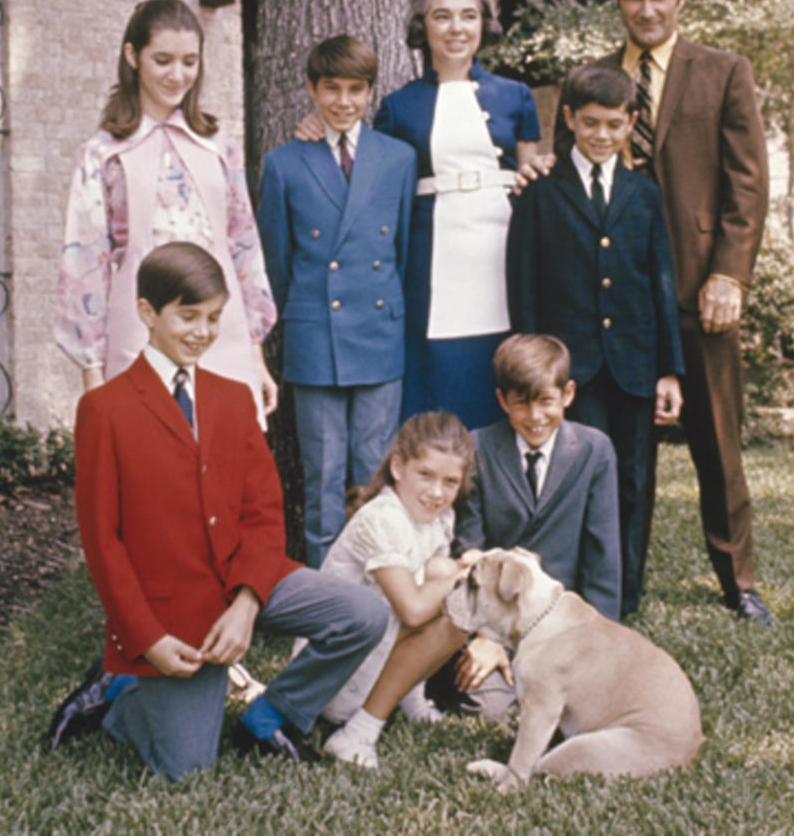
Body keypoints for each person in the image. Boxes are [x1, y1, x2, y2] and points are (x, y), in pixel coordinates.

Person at [47, 242, 388, 780]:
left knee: (363, 614)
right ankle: (118, 694)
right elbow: (103, 543)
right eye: (188, 316)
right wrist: (148, 641)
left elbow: (263, 511)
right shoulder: (104, 411)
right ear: (146, 313)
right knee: (186, 768)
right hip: (172, 612)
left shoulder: (232, 397)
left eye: (213, 318)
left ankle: (272, 717)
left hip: (248, 580)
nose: (203, 332)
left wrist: (249, 601)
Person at [554, 0, 771, 624]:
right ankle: (617, 585)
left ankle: (737, 579)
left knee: (716, 441)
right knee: (618, 452)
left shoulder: (722, 71)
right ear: (616, 0)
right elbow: (567, 168)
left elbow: (746, 180)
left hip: (693, 289)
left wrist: (729, 274)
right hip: (612, 300)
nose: (644, 9)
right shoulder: (590, 81)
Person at [297, 0, 547, 429]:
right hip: (432, 260)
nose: (457, 28)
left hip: (502, 255)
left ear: (484, 23)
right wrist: (321, 128)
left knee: (502, 365)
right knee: (436, 379)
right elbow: (369, 178)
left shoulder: (516, 96)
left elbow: (529, 178)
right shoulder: (399, 105)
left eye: (469, 15)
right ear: (422, 26)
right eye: (442, 16)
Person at [508, 64, 684, 614]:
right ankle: (570, 593)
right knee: (572, 480)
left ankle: (623, 595)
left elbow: (661, 283)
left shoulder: (644, 194)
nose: (602, 136)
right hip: (569, 370)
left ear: (631, 122)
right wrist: (537, 371)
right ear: (568, 120)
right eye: (590, 124)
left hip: (632, 363)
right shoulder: (540, 193)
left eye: (614, 124)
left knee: (633, 479)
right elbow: (525, 286)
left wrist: (669, 370)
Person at [54, 0, 276, 426]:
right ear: (132, 56)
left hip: (221, 335)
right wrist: (93, 379)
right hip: (138, 337)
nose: (178, 75)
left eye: (189, 62)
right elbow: (83, 269)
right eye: (163, 60)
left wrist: (256, 356)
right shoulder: (101, 156)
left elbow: (245, 249)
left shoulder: (220, 148)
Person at [257, 35, 416, 567]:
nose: (343, 102)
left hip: (378, 333)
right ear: (310, 89)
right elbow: (276, 262)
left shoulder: (398, 158)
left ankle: (377, 586)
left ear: (371, 92)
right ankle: (325, 597)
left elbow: (404, 249)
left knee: (375, 469)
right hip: (315, 337)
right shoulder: (284, 163)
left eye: (355, 89)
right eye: (331, 89)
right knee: (322, 474)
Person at [447, 333, 621, 719]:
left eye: (546, 400)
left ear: (568, 394)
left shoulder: (594, 451)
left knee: (585, 707)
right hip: (498, 623)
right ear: (502, 399)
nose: (535, 416)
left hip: (564, 624)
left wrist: (596, 646)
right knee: (490, 710)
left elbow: (602, 560)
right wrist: (488, 637)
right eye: (520, 402)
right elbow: (468, 550)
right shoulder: (477, 447)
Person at [296, 412, 474, 770]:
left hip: (377, 650)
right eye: (425, 475)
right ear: (397, 467)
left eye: (450, 482)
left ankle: (409, 696)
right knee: (459, 603)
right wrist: (463, 573)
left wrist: (452, 574)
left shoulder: (439, 517)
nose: (437, 493)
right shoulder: (384, 518)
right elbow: (411, 610)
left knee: (449, 583)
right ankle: (358, 733)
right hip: (333, 674)